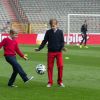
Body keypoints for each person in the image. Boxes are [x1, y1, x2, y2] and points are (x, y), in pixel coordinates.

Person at [35, 19, 67, 87]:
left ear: (57, 24)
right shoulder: (48, 32)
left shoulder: (60, 32)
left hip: (59, 52)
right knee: (50, 67)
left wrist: (63, 47)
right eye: (52, 26)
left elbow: (62, 41)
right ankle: (50, 82)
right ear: (50, 25)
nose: (53, 27)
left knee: (61, 66)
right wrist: (39, 48)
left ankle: (60, 82)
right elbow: (44, 41)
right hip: (50, 52)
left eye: (54, 25)